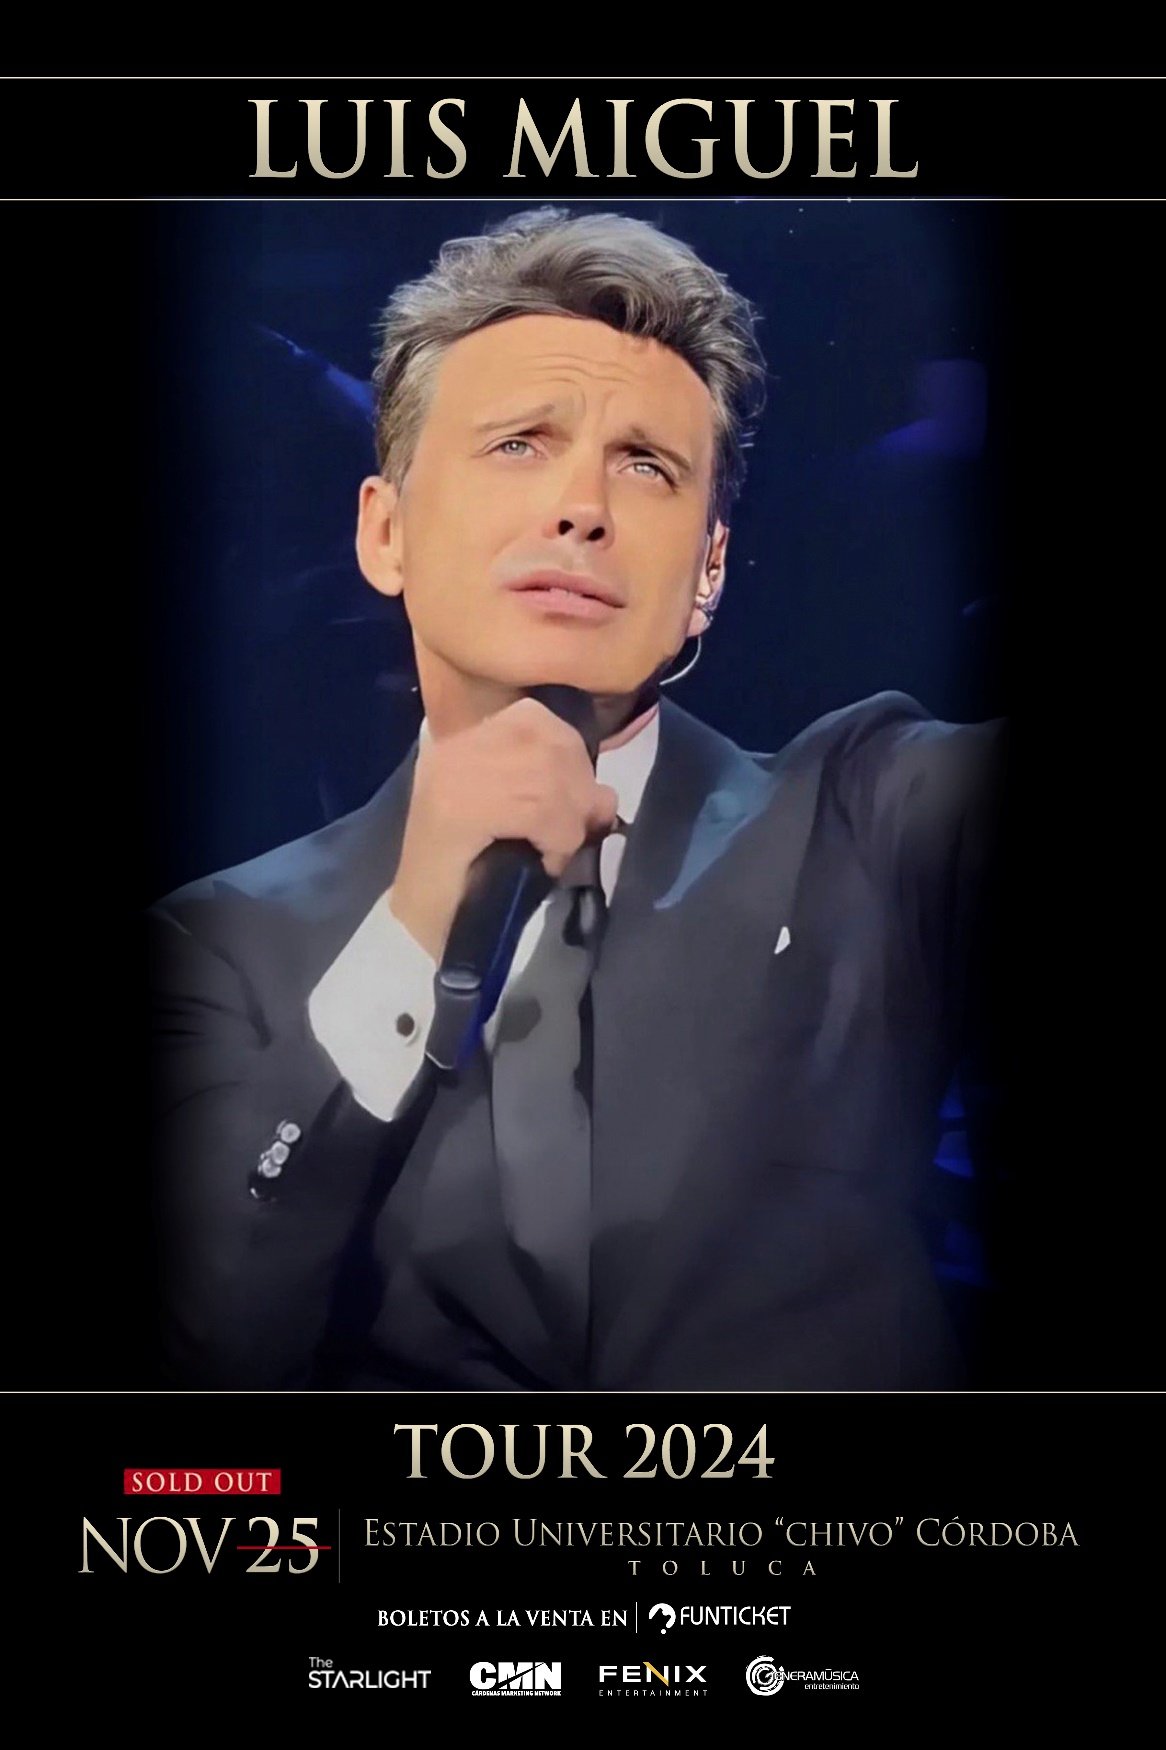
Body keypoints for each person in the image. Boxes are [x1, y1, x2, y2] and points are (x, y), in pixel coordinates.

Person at [150, 206, 1004, 1391]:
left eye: (645, 465)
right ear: (385, 532)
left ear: (706, 572)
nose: (582, 506)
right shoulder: (217, 942)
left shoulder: (867, 815)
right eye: (518, 444)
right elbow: (206, 1331)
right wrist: (412, 923)